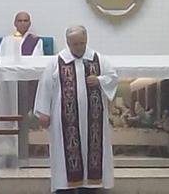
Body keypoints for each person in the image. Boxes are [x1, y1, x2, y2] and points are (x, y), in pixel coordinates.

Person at [34, 25, 118, 192]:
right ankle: (64, 187)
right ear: (68, 43)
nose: (79, 47)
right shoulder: (57, 62)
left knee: (92, 150)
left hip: (93, 121)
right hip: (64, 120)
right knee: (64, 154)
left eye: (82, 43)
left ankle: (91, 185)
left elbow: (112, 78)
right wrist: (43, 112)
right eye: (75, 44)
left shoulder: (98, 59)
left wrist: (99, 80)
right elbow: (45, 86)